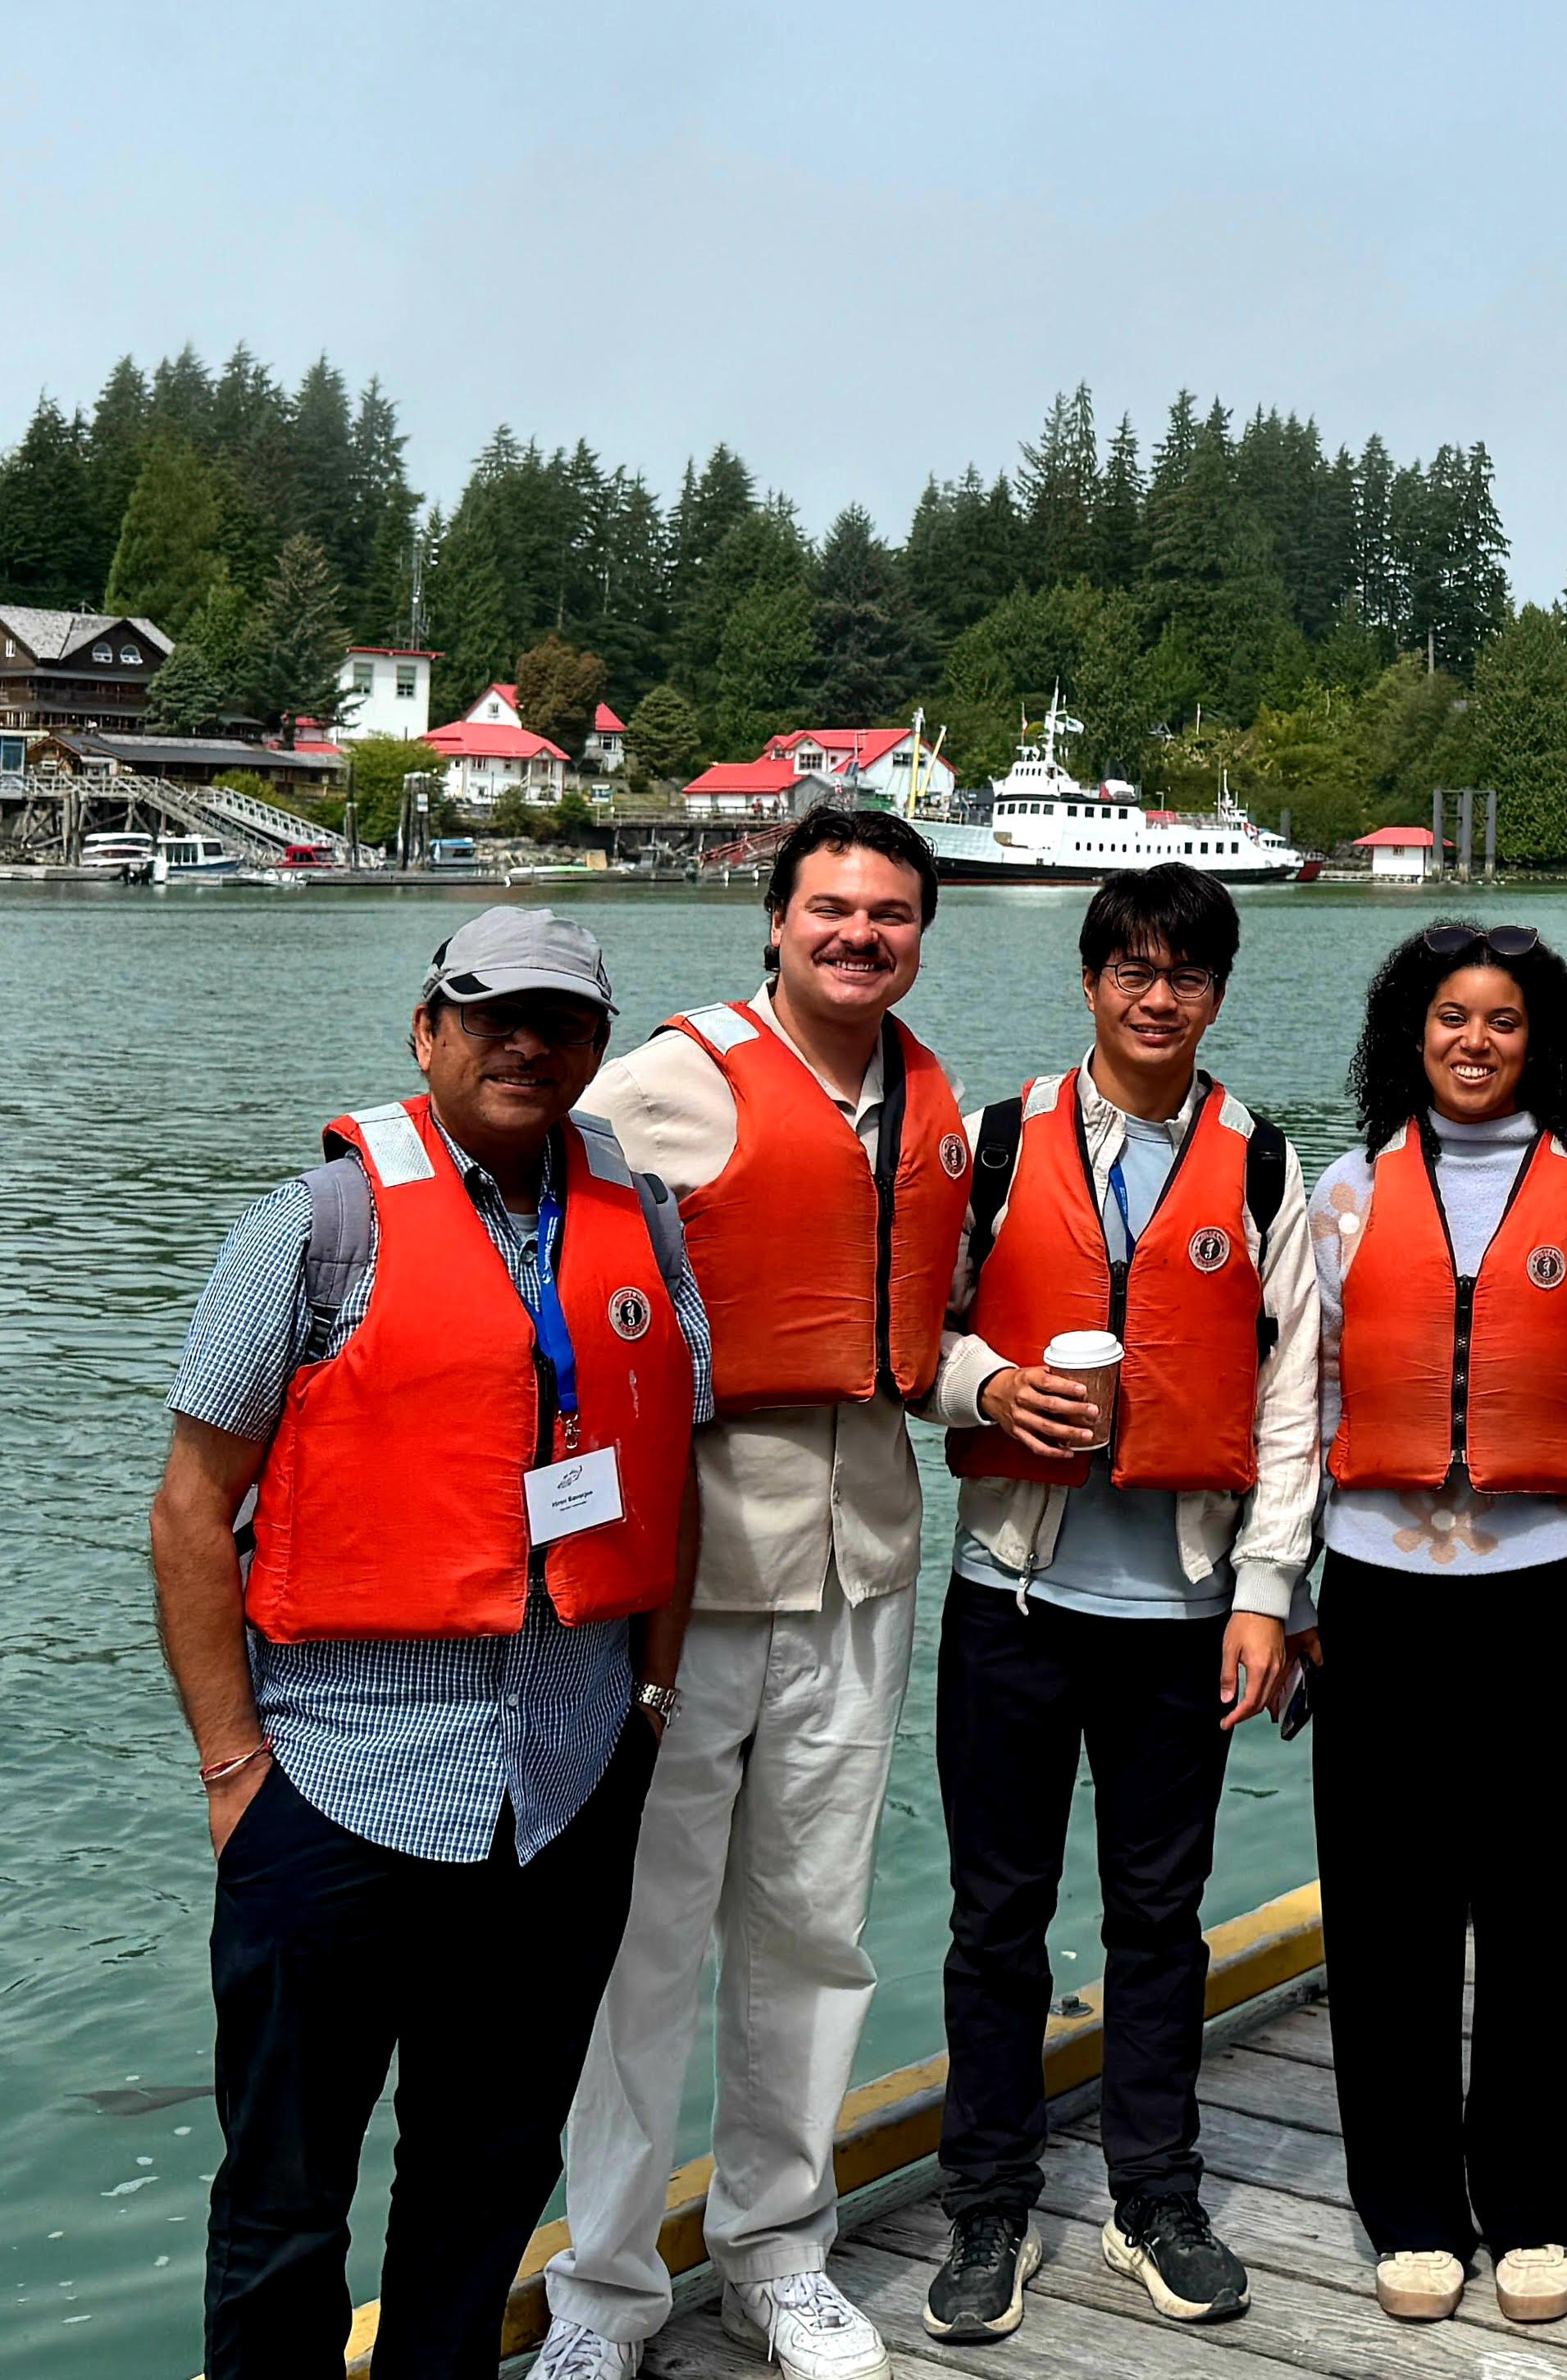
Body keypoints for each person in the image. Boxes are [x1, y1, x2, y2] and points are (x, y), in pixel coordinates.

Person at [150, 909, 711, 2379]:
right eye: (491, 1015)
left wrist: (650, 1699)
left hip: (566, 1790)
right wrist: (232, 1765)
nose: (526, 1044)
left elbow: (672, 1472)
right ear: (427, 1030)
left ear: (598, 1047)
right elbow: (193, 1508)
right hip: (337, 1790)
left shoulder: (641, 1225)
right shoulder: (313, 1227)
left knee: (478, 2190)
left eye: (562, 1022)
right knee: (284, 2204)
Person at [534, 810, 970, 2380]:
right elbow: (538, 1265)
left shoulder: (934, 1103)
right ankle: (601, 2286)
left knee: (811, 1935)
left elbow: (924, 1324)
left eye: (893, 913)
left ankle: (779, 2252)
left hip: (863, 1571)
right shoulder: (662, 1085)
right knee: (642, 1946)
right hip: (685, 1581)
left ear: (922, 932)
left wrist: (989, 1390)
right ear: (774, 920)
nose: (862, 934)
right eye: (832, 909)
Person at [916, 862, 1321, 2345]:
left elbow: (1293, 1403)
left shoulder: (1261, 1162)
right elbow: (921, 1330)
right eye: (1134, 971)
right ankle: (987, 2208)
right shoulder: (998, 1140)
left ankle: (1156, 2192)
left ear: (1217, 994)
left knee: (1160, 1919)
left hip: (1182, 1611)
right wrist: (987, 1384)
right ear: (1089, 980)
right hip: (1008, 1600)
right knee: (994, 1920)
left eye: (1189, 976)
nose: (1160, 999)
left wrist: (1267, 1593)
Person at [1303, 921, 1567, 2328]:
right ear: (1410, 1032)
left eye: (1502, 1020)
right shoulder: (1340, 1198)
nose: (1473, 1040)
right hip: (1377, 1601)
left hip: (1547, 1598)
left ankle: (1532, 2203)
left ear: (1541, 1039)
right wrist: (1284, 1593)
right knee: (1385, 1910)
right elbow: (1306, 1417)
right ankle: (1405, 2202)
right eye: (1449, 1015)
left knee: (1540, 1915)